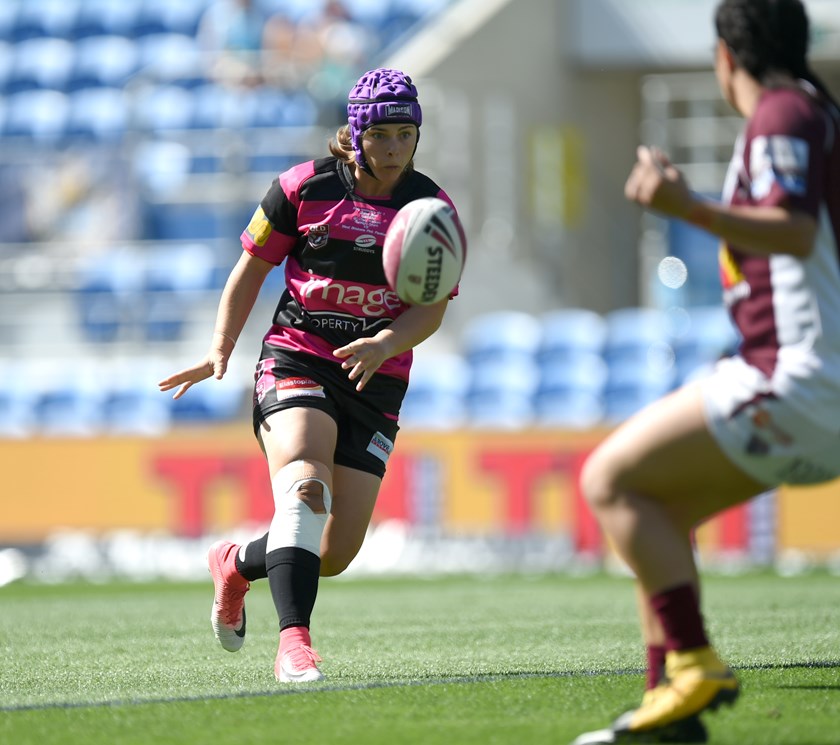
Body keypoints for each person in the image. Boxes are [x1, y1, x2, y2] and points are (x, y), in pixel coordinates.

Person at [572, 1, 840, 743]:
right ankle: (671, 705)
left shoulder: (783, 113)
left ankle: (692, 664)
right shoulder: (814, 112)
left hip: (796, 377)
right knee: (659, 511)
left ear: (727, 55)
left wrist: (683, 204)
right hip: (812, 384)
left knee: (609, 480)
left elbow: (793, 227)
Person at [158, 68, 463, 683]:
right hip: (297, 355)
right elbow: (250, 268)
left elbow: (431, 306)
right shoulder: (301, 188)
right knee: (305, 484)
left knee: (332, 553)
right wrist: (222, 348)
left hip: (376, 376)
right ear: (356, 133)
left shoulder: (432, 210)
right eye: (383, 134)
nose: (397, 147)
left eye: (407, 133)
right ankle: (295, 644)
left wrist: (387, 340)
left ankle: (237, 564)